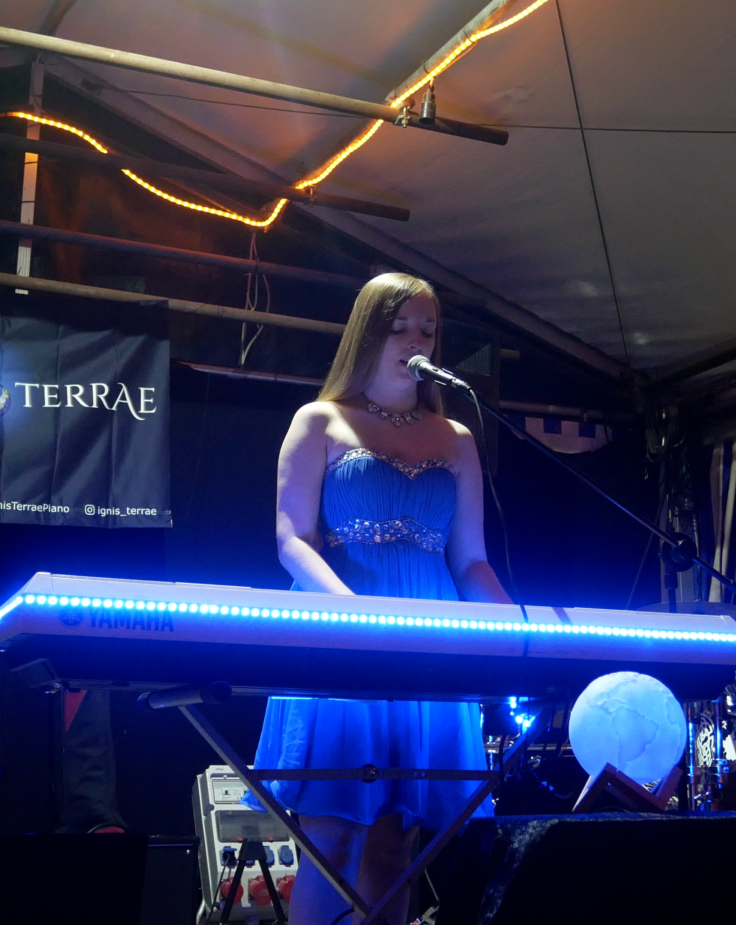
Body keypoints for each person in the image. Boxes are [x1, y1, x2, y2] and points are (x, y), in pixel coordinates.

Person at [250, 273, 511, 925]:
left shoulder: (457, 438)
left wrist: (518, 632)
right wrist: (356, 616)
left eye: (428, 329)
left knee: (397, 845)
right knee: (331, 837)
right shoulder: (319, 421)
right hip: (342, 634)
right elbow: (291, 539)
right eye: (399, 328)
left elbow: (471, 560)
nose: (416, 341)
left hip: (427, 644)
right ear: (367, 334)